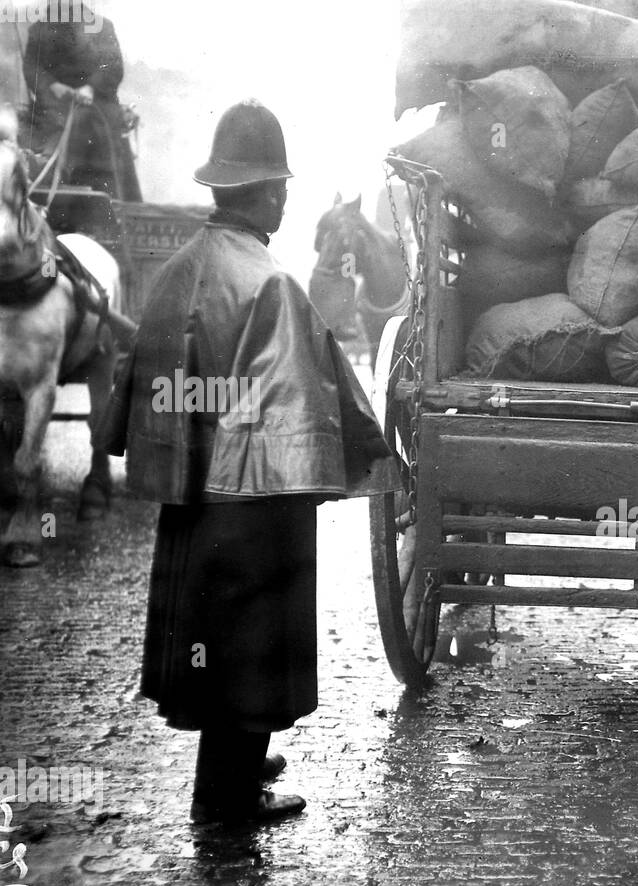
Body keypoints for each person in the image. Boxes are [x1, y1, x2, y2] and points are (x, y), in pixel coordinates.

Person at [96, 100, 400, 825]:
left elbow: (139, 391)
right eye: (282, 187)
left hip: (193, 499)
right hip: (256, 502)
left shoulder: (176, 272)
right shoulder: (270, 282)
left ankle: (229, 763)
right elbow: (308, 400)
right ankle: (228, 797)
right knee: (254, 643)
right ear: (268, 193)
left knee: (208, 640)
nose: (287, 198)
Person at [21, 3, 141, 200]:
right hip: (53, 105)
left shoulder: (102, 27)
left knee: (93, 129)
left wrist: (91, 87)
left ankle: (108, 199)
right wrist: (54, 87)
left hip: (97, 103)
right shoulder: (39, 29)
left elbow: (113, 66)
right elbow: (31, 67)